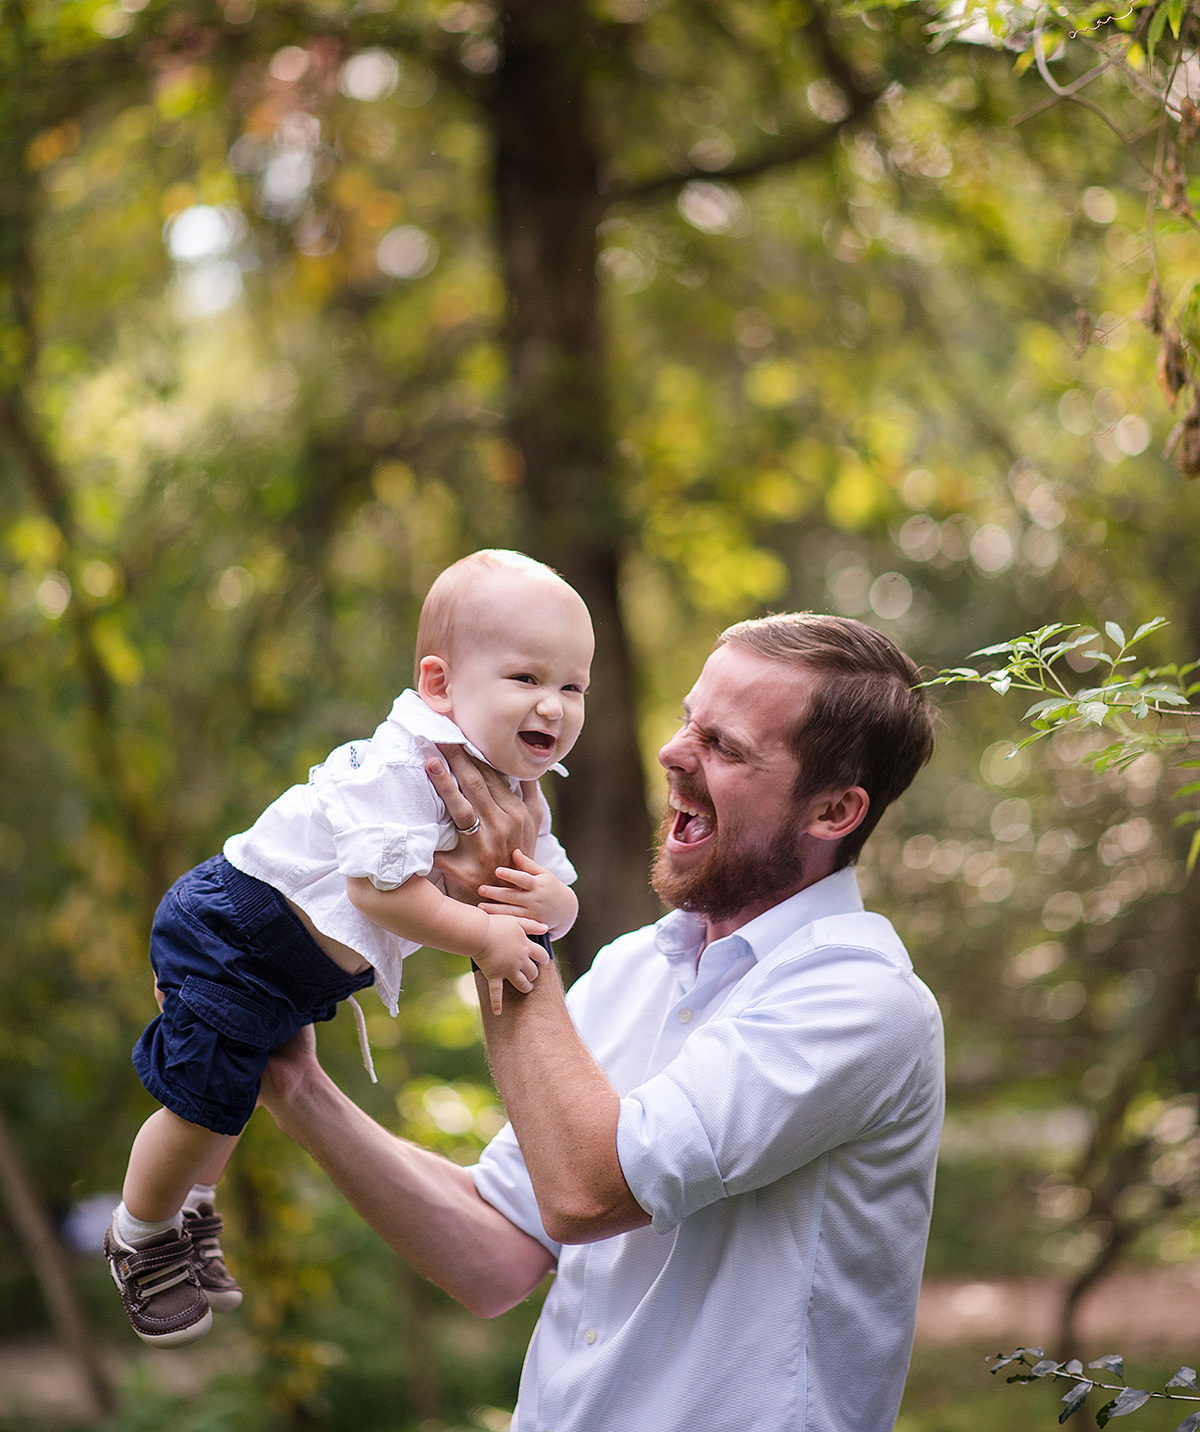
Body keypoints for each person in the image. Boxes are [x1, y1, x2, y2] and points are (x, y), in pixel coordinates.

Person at [259, 611, 945, 1432]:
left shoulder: (862, 1000)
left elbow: (587, 1191)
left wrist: (501, 917)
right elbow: (499, 1255)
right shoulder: (628, 970)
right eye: (690, 719)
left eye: (724, 747)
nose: (673, 752)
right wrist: (296, 1086)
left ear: (833, 812)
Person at [106, 550, 591, 1348]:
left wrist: (554, 902)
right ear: (439, 685)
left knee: (233, 1095)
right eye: (527, 679)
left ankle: (187, 1207)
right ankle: (139, 1233)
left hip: (293, 970)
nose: (555, 705)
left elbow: (552, 885)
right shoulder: (406, 763)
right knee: (202, 1104)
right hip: (234, 931)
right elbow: (376, 890)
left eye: (572, 687)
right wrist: (484, 934)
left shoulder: (514, 787)